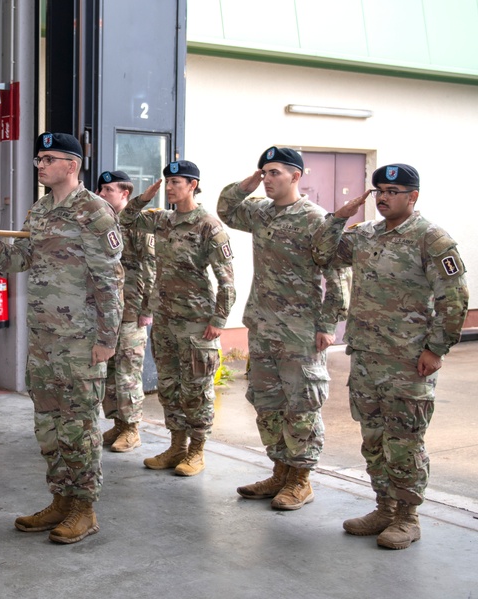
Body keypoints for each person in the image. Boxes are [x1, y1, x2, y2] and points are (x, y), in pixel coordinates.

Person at [0, 132, 124, 544]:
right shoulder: (41, 211)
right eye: (38, 160)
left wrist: (107, 338)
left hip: (81, 340)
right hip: (45, 339)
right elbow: (20, 260)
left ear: (71, 165)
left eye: (48, 159)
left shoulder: (95, 212)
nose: (40, 165)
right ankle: (60, 500)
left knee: (80, 426)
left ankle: (84, 509)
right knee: (48, 424)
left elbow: (111, 281)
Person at [312, 163, 468, 549]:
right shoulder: (365, 235)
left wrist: (436, 348)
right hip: (366, 356)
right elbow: (321, 253)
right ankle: (384, 507)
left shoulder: (431, 239)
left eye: (392, 192)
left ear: (413, 196)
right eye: (378, 190)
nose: (382, 197)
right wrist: (339, 216)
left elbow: (455, 298)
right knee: (373, 438)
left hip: (408, 360)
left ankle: (407, 517)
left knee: (405, 441)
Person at [217, 146, 349, 511]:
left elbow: (338, 274)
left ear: (297, 176)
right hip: (262, 325)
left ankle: (301, 480)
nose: (268, 178)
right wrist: (251, 180)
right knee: (267, 403)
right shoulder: (259, 212)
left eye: (276, 172)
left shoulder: (315, 218)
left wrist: (327, 325)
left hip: (300, 330)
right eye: (265, 172)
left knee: (302, 405)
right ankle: (279, 471)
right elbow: (226, 207)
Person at [120, 161, 235, 477]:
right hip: (165, 318)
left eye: (176, 182)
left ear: (193, 185)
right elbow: (125, 218)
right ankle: (176, 446)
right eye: (167, 181)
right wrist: (143, 198)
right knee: (169, 385)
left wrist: (219, 320)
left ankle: (197, 451)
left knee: (195, 388)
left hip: (197, 322)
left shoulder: (208, 226)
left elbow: (227, 280)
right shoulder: (162, 221)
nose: (170, 187)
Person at [96, 170, 156, 453]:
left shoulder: (139, 224)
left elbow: (151, 268)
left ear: (125, 194)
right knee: (107, 369)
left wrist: (148, 308)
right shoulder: (102, 223)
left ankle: (132, 428)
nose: (102, 194)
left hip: (132, 308)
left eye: (108, 190)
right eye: (101, 189)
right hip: (107, 309)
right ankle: (117, 423)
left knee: (127, 370)